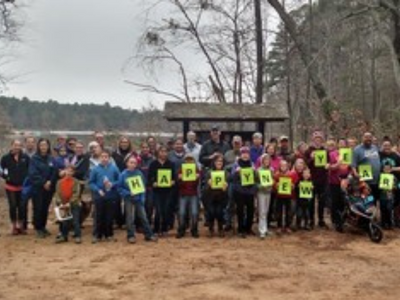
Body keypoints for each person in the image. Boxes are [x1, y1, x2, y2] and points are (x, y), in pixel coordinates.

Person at [117, 155, 157, 243]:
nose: (133, 164)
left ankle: (149, 234)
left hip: (138, 198)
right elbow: (119, 188)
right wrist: (127, 193)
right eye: (131, 162)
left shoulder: (139, 173)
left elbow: (143, 187)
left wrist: (142, 198)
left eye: (134, 163)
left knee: (143, 216)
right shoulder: (123, 175)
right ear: (127, 163)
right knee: (129, 218)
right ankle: (130, 235)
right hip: (128, 199)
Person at [89, 150, 120, 243]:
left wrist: (112, 184)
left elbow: (119, 180)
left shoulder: (114, 168)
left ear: (109, 158)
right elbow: (91, 182)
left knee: (109, 216)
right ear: (99, 158)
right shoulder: (95, 169)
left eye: (106, 156)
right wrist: (98, 190)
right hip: (99, 196)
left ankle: (109, 235)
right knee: (99, 216)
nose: (104, 158)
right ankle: (98, 235)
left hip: (111, 196)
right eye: (102, 157)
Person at [28, 138, 57, 238]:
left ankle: (43, 227)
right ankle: (38, 227)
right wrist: (43, 182)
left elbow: (54, 172)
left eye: (45, 145)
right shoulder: (34, 159)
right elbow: (33, 173)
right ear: (38, 146)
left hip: (49, 188)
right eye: (41, 145)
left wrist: (50, 182)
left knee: (45, 208)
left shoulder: (51, 158)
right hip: (38, 188)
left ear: (48, 146)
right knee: (38, 208)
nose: (43, 147)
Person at [1, 140, 30, 235]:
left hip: (23, 186)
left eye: (19, 145)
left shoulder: (25, 157)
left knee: (22, 207)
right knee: (13, 206)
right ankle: (14, 226)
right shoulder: (5, 158)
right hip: (10, 186)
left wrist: (27, 179)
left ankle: (21, 226)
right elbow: (1, 170)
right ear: (11, 146)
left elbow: (30, 169)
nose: (17, 147)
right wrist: (7, 177)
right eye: (15, 145)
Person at [148, 145, 176, 236]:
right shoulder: (153, 164)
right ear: (158, 153)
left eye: (165, 151)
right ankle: (156, 229)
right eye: (161, 151)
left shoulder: (171, 164)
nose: (163, 153)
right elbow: (149, 177)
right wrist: (153, 183)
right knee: (158, 210)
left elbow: (174, 177)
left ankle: (164, 229)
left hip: (168, 191)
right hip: (157, 191)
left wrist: (173, 181)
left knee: (166, 210)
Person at [231, 147, 257, 238]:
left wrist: (255, 171)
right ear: (240, 155)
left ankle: (248, 228)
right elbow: (232, 178)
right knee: (240, 210)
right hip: (239, 191)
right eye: (243, 153)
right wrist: (236, 172)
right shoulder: (236, 165)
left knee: (251, 210)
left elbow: (256, 178)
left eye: (247, 153)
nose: (245, 155)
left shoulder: (252, 164)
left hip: (250, 191)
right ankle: (241, 229)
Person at [305, 130, 328, 229]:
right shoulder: (308, 151)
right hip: (311, 179)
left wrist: (328, 166)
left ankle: (321, 220)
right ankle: (311, 220)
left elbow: (328, 163)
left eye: (320, 139)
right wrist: (311, 158)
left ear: (322, 140)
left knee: (322, 201)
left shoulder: (325, 151)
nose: (318, 141)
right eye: (316, 139)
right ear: (313, 140)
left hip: (323, 179)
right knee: (311, 201)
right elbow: (304, 164)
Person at [326, 138, 351, 230]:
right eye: (340, 143)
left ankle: (343, 221)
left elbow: (350, 167)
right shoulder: (332, 154)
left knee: (344, 202)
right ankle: (335, 222)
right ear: (337, 144)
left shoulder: (348, 153)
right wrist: (337, 164)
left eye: (343, 143)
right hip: (334, 181)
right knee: (335, 202)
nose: (342, 145)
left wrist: (349, 178)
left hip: (345, 182)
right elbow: (329, 167)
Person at [112, 136, 136, 229]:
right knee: (116, 201)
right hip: (117, 179)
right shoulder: (114, 154)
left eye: (126, 142)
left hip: (129, 179)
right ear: (119, 143)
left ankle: (127, 221)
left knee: (128, 201)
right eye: (122, 142)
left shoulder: (132, 154)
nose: (124, 144)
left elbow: (135, 165)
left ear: (129, 143)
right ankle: (118, 221)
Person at [54, 165, 82, 244]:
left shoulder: (76, 182)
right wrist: (60, 202)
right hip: (63, 205)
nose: (69, 172)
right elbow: (57, 194)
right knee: (64, 222)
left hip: (74, 204)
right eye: (68, 170)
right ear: (65, 171)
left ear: (73, 173)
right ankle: (64, 236)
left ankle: (78, 236)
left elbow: (76, 193)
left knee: (75, 221)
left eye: (71, 171)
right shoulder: (59, 182)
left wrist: (69, 203)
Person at [352, 132, 381, 204]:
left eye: (370, 137)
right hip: (366, 181)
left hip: (377, 180)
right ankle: (366, 213)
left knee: (375, 198)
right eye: (366, 137)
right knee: (367, 199)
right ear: (362, 138)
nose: (368, 139)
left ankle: (373, 213)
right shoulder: (357, 149)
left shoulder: (375, 147)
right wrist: (355, 173)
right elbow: (353, 164)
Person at [176, 154, 201, 238]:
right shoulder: (181, 170)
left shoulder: (196, 170)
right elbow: (178, 185)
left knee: (194, 212)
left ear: (193, 161)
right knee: (182, 213)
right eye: (187, 160)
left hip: (193, 194)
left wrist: (197, 178)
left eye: (191, 160)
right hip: (183, 194)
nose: (189, 161)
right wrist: (180, 179)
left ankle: (194, 229)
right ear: (185, 161)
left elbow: (196, 185)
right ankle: (181, 229)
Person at [204, 154, 228, 237]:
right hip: (210, 196)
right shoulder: (209, 172)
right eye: (217, 161)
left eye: (221, 161)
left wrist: (226, 187)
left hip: (221, 196)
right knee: (211, 212)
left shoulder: (225, 173)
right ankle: (211, 229)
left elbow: (227, 186)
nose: (219, 163)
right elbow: (205, 187)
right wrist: (208, 184)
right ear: (214, 162)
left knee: (219, 212)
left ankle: (220, 228)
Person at [379, 139, 400, 227]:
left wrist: (392, 169)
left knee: (396, 202)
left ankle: (395, 221)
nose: (386, 147)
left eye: (388, 145)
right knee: (384, 202)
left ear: (391, 146)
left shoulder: (395, 156)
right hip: (383, 180)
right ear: (382, 147)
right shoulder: (379, 155)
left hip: (395, 181)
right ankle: (384, 222)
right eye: (385, 145)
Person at [274, 160, 297, 234]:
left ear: (287, 166)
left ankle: (287, 226)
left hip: (289, 196)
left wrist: (293, 186)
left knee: (288, 211)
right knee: (279, 211)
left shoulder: (292, 174)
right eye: (282, 166)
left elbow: (295, 184)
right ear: (280, 167)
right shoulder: (277, 174)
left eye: (285, 165)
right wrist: (276, 185)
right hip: (279, 196)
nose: (283, 167)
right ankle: (279, 226)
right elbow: (273, 183)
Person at [256, 154, 273, 239]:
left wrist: (272, 183)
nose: (267, 161)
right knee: (262, 211)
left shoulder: (271, 170)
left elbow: (272, 180)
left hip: (268, 192)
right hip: (261, 192)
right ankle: (261, 230)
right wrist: (260, 186)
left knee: (266, 211)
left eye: (268, 160)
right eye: (265, 160)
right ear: (262, 161)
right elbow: (255, 183)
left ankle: (265, 228)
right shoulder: (258, 170)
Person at [139, 142, 155, 224]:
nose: (145, 149)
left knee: (150, 205)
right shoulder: (137, 159)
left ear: (149, 149)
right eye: (143, 147)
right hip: (139, 186)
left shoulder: (153, 159)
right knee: (141, 205)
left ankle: (148, 222)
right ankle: (140, 224)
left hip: (150, 186)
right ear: (140, 148)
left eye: (146, 147)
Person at [379, 163, 397, 229]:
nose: (386, 170)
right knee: (383, 209)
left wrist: (393, 186)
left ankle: (390, 224)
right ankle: (383, 223)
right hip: (382, 196)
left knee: (389, 209)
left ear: (390, 170)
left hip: (390, 197)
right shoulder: (380, 177)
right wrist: (380, 186)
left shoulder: (393, 177)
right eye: (385, 168)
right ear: (383, 169)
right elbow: (378, 186)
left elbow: (396, 186)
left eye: (388, 169)